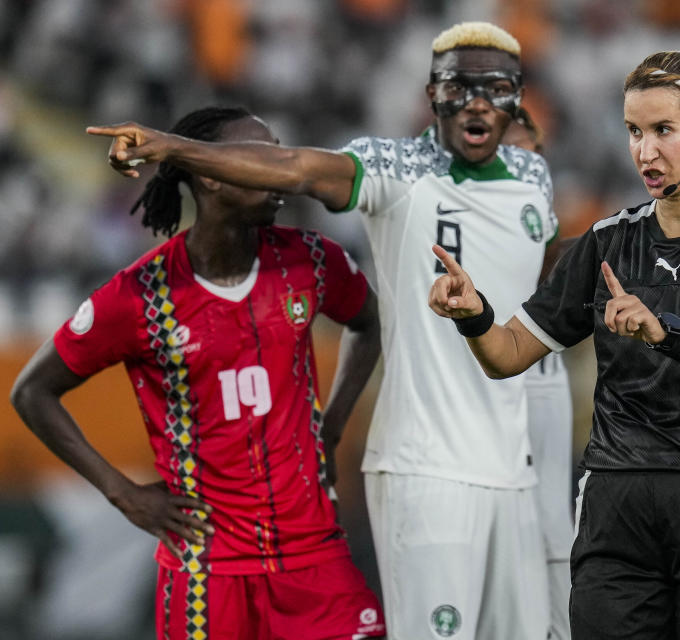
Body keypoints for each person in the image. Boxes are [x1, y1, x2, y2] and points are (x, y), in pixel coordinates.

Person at [86, 22, 556, 640]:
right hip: (428, 472)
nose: (475, 101)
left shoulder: (535, 178)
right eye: (458, 86)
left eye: (494, 88)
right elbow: (297, 167)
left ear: (517, 96)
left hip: (517, 472)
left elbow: (541, 272)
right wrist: (172, 147)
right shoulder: (395, 166)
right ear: (431, 94)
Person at [428, 49, 680, 639]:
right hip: (615, 505)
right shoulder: (605, 242)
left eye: (664, 130)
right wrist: (475, 316)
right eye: (634, 131)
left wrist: (670, 331)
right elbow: (507, 355)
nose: (645, 151)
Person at [11, 106, 386, 640]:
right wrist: (122, 492)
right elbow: (33, 392)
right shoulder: (140, 297)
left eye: (280, 152)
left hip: (314, 557)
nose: (278, 168)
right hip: (208, 571)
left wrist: (333, 425)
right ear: (210, 174)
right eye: (262, 156)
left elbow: (370, 323)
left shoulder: (311, 261)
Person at [503, 106, 575, 640]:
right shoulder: (442, 253)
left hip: (554, 536)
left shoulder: (563, 261)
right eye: (513, 160)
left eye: (536, 160)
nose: (530, 173)